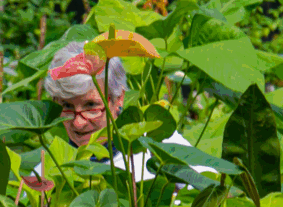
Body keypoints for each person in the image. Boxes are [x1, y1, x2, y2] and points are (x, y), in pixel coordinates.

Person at [43, 40, 201, 180]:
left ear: (119, 98)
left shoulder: (160, 146)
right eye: (67, 106)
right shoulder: (47, 169)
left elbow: (215, 202)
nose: (78, 123)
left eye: (91, 106)